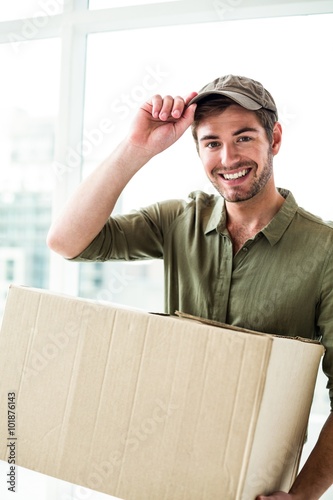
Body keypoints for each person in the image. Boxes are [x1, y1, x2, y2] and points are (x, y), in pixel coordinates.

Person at [47, 74, 333, 499]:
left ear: (274, 138)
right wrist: (137, 149)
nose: (228, 157)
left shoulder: (324, 250)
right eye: (211, 143)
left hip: (255, 487)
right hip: (161, 469)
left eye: (243, 137)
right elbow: (67, 242)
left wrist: (304, 496)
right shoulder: (178, 221)